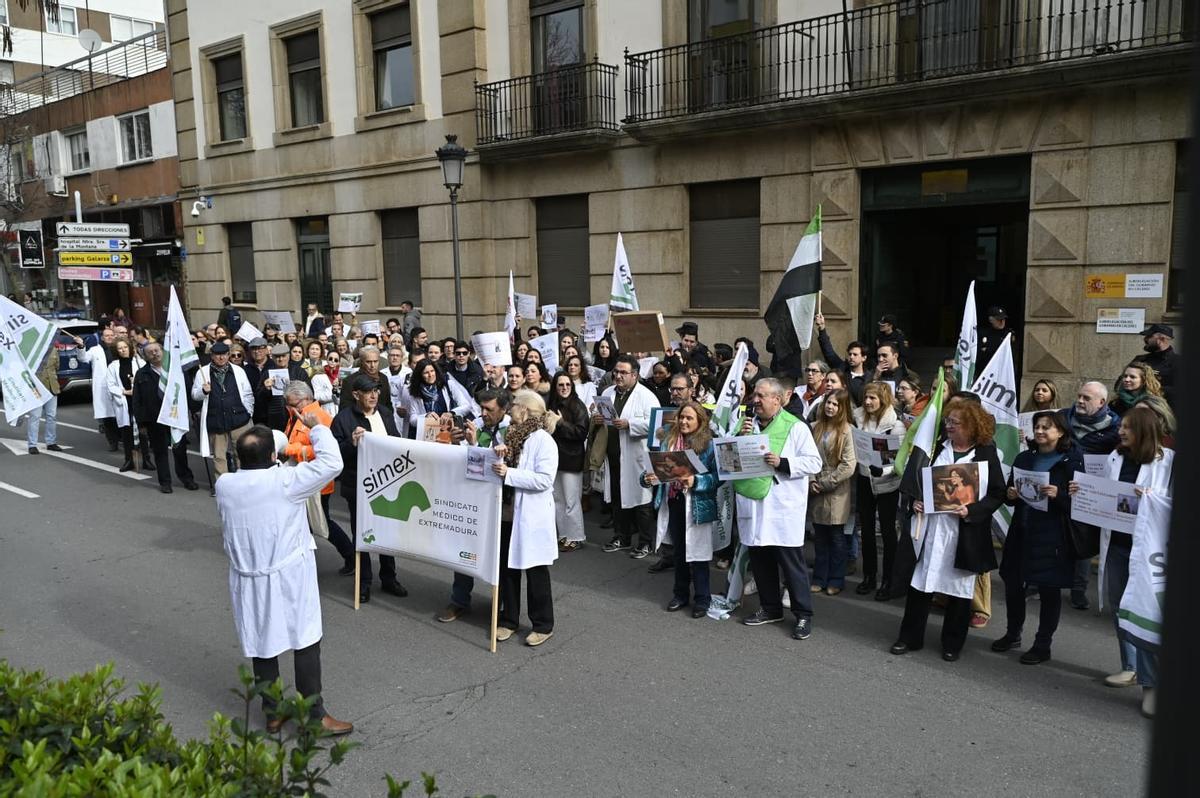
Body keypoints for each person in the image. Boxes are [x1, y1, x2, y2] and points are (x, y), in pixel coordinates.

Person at [215, 421, 353, 736]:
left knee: (263, 643)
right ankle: (313, 717)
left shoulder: (225, 485)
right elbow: (332, 461)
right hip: (289, 574)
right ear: (271, 458)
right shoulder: (285, 481)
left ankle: (273, 713)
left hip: (248, 578)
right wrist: (316, 426)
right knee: (305, 640)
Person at [890, 398, 1005, 661]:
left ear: (971, 426)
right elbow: (919, 479)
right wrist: (918, 500)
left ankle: (952, 643)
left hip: (964, 530)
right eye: (948, 421)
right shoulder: (935, 447)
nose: (949, 426)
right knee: (921, 582)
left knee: (959, 589)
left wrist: (972, 511)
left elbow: (998, 493)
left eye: (955, 422)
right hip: (932, 526)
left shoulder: (986, 452)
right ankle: (909, 637)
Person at [1076, 406, 1173, 717]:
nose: (1120, 431)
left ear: (1143, 431)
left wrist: (1152, 498)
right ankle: (1130, 666)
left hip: (1149, 552)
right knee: (1121, 608)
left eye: (1128, 428)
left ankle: (1152, 685)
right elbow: (1105, 496)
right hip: (1117, 546)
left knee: (1144, 611)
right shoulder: (1115, 458)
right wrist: (1082, 493)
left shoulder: (1169, 463)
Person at [992, 411, 1086, 665]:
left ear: (1061, 432)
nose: (1041, 431)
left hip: (1052, 534)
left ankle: (1043, 644)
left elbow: (1081, 503)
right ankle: (1013, 634)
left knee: (1048, 589)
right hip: (1022, 530)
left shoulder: (1072, 461)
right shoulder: (1024, 457)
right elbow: (1011, 493)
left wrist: (1060, 495)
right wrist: (1010, 494)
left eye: (1047, 427)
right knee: (1012, 583)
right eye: (1038, 426)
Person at [735, 378, 823, 640]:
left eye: (762, 396)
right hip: (754, 501)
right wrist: (739, 440)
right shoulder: (745, 425)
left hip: (782, 506)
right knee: (760, 560)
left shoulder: (795, 427)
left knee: (790, 563)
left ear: (778, 399)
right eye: (755, 396)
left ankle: (803, 614)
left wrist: (783, 462)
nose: (756, 400)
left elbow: (814, 463)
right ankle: (771, 607)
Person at [331, 372, 407, 604]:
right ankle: (363, 582)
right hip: (359, 486)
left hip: (387, 483)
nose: (373, 395)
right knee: (363, 534)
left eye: (376, 391)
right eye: (368, 392)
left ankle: (389, 577)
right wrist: (352, 444)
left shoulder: (385, 413)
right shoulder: (343, 419)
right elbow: (335, 455)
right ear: (356, 394)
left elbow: (394, 440)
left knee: (387, 532)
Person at [438, 388, 512, 624]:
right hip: (473, 501)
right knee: (464, 552)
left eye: (489, 409)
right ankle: (459, 601)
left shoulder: (511, 430)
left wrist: (476, 444)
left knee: (500, 557)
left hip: (501, 504)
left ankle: (502, 604)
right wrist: (462, 442)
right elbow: (467, 462)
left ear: (503, 409)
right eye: (481, 408)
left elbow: (500, 462)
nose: (483, 413)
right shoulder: (477, 425)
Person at [492, 390, 559, 647]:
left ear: (525, 410)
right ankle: (508, 620)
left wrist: (510, 473)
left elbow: (544, 479)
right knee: (507, 569)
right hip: (508, 512)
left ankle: (543, 624)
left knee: (535, 571)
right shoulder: (509, 434)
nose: (509, 410)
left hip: (531, 515)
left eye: (514, 406)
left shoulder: (544, 441)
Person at [641, 402, 718, 617]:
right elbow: (651, 469)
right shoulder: (668, 440)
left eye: (689, 418)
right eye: (682, 417)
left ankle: (703, 599)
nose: (684, 421)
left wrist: (696, 481)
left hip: (697, 504)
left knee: (699, 554)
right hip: (674, 501)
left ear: (700, 421)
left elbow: (718, 478)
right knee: (680, 552)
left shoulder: (709, 444)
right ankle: (680, 594)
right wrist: (647, 478)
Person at [282, 381, 356, 577]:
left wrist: (289, 449)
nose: (289, 407)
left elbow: (323, 451)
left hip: (315, 482)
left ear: (306, 399)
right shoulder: (297, 415)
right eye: (288, 404)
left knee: (321, 523)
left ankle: (350, 555)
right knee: (310, 523)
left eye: (292, 403)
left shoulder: (320, 418)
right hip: (300, 478)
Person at [595, 354, 660, 558]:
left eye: (623, 372)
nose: (618, 376)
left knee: (642, 501)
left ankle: (645, 542)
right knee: (617, 498)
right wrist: (596, 418)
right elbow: (604, 417)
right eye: (616, 372)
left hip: (637, 458)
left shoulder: (646, 396)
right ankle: (621, 537)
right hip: (613, 455)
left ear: (635, 375)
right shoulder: (607, 392)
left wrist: (630, 424)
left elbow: (656, 426)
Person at [853, 382, 905, 599]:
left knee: (887, 531)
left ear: (883, 399)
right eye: (866, 397)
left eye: (872, 398)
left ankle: (888, 580)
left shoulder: (896, 425)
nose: (867, 402)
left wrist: (882, 471)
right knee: (865, 530)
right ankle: (869, 576)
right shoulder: (858, 417)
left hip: (887, 483)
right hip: (865, 479)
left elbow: (899, 459)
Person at [130, 343, 198, 493]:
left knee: (180, 450)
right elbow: (137, 400)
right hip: (155, 420)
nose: (154, 354)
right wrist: (141, 422)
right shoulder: (142, 374)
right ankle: (165, 482)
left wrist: (194, 410)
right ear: (145, 356)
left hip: (176, 417)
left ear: (163, 351)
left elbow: (188, 390)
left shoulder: (176, 370)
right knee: (160, 452)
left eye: (157, 350)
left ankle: (187, 478)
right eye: (150, 352)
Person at [809, 389, 857, 596]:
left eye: (835, 404)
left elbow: (848, 465)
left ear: (843, 408)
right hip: (816, 485)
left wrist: (826, 482)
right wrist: (811, 480)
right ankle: (819, 576)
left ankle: (836, 579)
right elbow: (807, 456)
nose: (830, 407)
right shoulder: (815, 427)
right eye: (828, 403)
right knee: (819, 537)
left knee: (836, 537)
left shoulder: (848, 430)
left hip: (837, 489)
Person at [191, 341, 255, 476]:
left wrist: (248, 413)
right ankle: (222, 484)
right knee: (219, 456)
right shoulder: (202, 372)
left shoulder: (238, 371)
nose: (221, 358)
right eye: (218, 355)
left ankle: (244, 481)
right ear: (212, 356)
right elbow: (194, 395)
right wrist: (203, 391)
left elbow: (248, 394)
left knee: (242, 453)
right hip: (216, 420)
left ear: (228, 355)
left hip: (239, 419)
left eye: (224, 355)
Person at [547, 373, 589, 552]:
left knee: (572, 500)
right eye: (560, 385)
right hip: (555, 458)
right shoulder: (552, 404)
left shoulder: (577, 405)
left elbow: (581, 432)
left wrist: (561, 423)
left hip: (572, 458)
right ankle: (563, 535)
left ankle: (576, 536)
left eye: (567, 385)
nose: (564, 388)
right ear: (555, 387)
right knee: (558, 500)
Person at [105, 337, 148, 472]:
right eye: (120, 348)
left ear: (130, 348)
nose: (123, 350)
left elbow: (147, 380)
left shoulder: (139, 363)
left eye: (125, 347)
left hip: (139, 402)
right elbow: (110, 385)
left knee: (142, 430)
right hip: (124, 401)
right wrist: (124, 392)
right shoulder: (113, 366)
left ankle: (146, 459)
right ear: (116, 351)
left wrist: (137, 386)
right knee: (126, 432)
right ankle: (128, 460)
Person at [403, 358, 475, 433]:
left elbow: (466, 406)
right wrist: (425, 417)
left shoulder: (448, 385)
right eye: (426, 373)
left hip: (447, 432)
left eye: (432, 371)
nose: (430, 375)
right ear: (420, 375)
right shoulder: (416, 391)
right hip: (428, 434)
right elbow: (412, 419)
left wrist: (451, 413)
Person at [814, 313, 869, 404]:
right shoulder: (842, 369)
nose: (851, 357)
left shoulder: (868, 377)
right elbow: (829, 352)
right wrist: (822, 328)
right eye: (850, 354)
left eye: (855, 355)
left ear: (864, 358)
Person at [80, 327, 120, 452]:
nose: (109, 337)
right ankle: (112, 442)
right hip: (103, 387)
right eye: (106, 335)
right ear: (102, 337)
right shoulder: (95, 350)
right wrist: (81, 347)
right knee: (107, 416)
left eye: (111, 335)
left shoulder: (119, 348)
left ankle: (122, 439)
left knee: (120, 414)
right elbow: (83, 358)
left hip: (119, 385)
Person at [261, 343, 311, 431]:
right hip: (275, 417)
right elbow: (259, 398)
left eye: (283, 356)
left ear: (288, 356)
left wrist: (296, 388)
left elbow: (310, 394)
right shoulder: (267, 373)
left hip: (296, 415)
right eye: (277, 357)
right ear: (272, 357)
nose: (280, 359)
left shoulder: (299, 371)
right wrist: (265, 388)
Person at [24, 343, 62, 455]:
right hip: (37, 388)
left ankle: (51, 442)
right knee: (35, 416)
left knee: (52, 416)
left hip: (52, 387)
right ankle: (32, 445)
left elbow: (57, 366)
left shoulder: (54, 349)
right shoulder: (31, 349)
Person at [1133, 323, 1178, 408]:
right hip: (1137, 409)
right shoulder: (1140, 359)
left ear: (1161, 339)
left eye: (1149, 336)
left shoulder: (1179, 362)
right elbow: (1120, 382)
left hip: (1166, 412)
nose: (1145, 339)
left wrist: (1153, 389)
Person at [977, 305, 1017, 373]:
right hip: (986, 370)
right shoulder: (983, 334)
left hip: (1002, 371)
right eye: (999, 319)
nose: (1002, 322)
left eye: (1003, 319)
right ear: (991, 320)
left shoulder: (1008, 334)